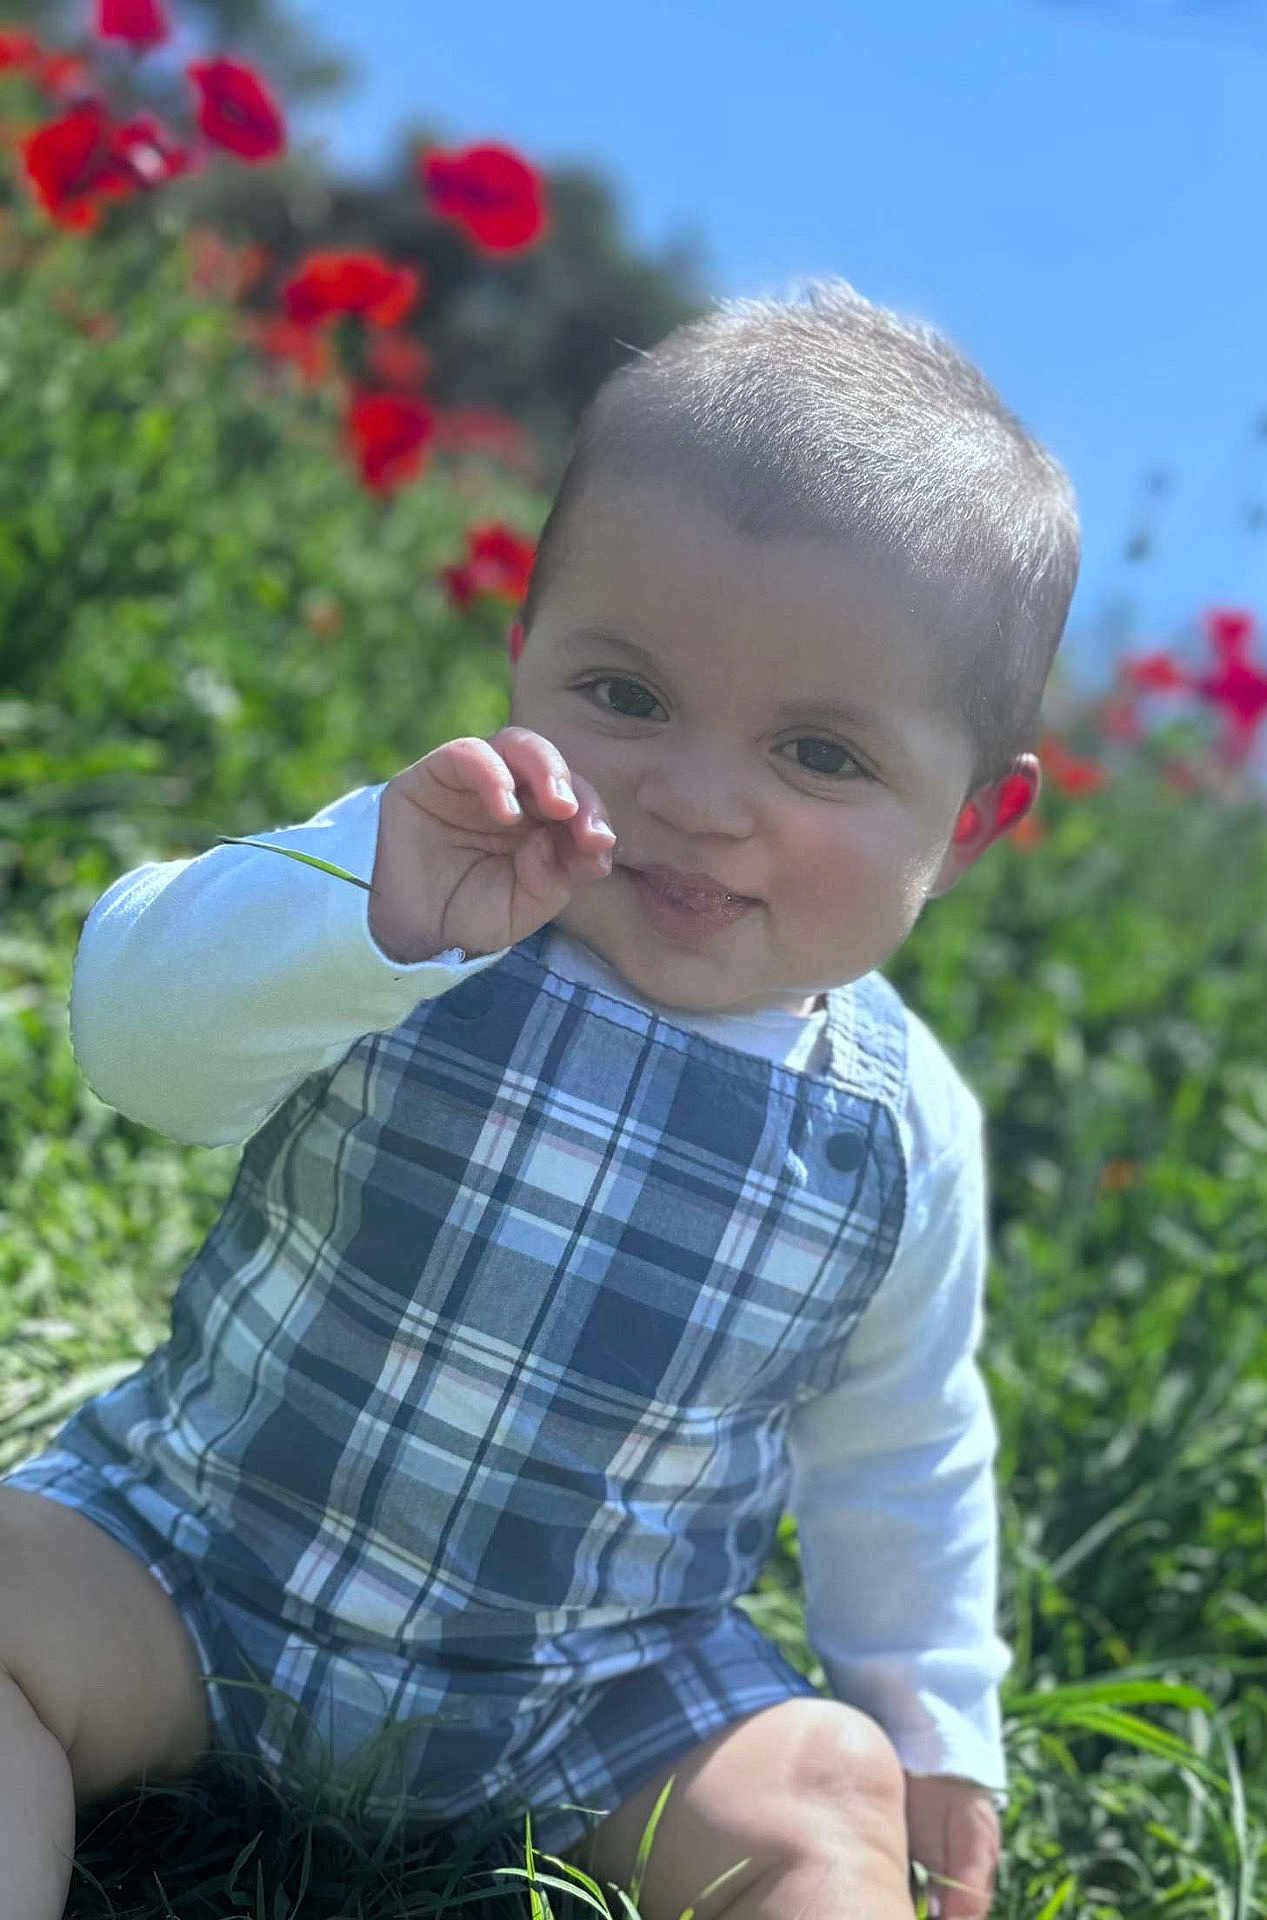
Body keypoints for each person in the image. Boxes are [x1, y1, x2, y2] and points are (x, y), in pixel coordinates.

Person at [0, 277, 1079, 1920]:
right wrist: (355, 914)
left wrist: (938, 1721)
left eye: (820, 755)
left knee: (823, 1798)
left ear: (973, 828)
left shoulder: (898, 1127)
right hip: (191, 1559)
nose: (694, 799)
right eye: (624, 696)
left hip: (598, 1695)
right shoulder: (431, 881)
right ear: (523, 654)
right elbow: (137, 1048)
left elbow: (903, 1447)